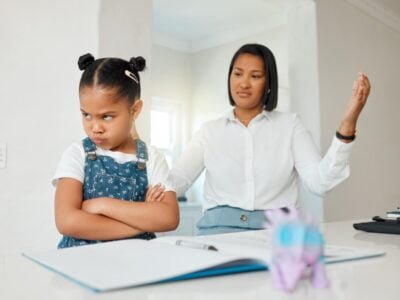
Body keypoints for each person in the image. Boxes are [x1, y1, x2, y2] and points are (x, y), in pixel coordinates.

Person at [168, 43, 370, 235]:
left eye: (255, 76)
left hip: (278, 233)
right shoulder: (208, 131)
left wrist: (347, 123)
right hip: (217, 233)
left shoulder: (290, 125)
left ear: (269, 84)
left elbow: (320, 183)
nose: (244, 83)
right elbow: (176, 181)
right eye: (237, 74)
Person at [53, 53, 179, 248]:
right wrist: (143, 220)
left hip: (134, 265)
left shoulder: (153, 159)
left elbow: (168, 218)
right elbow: (67, 221)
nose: (95, 127)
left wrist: (102, 204)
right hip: (80, 263)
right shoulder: (77, 154)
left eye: (107, 117)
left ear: (135, 110)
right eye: (86, 115)